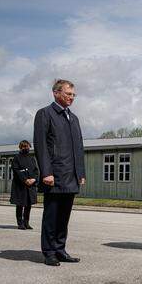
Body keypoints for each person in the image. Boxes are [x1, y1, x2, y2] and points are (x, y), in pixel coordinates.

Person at [33, 79, 85, 266]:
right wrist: (46, 172)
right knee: (52, 216)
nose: (71, 98)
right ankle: (49, 252)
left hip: (71, 176)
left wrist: (81, 172)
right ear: (56, 93)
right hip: (53, 175)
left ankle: (60, 249)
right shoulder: (45, 114)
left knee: (64, 216)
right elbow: (40, 146)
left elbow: (78, 147)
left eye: (73, 95)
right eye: (68, 94)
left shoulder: (74, 118)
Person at [10, 140, 39, 229]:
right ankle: (20, 223)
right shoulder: (17, 158)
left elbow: (36, 171)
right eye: (24, 146)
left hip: (30, 185)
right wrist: (25, 180)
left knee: (28, 205)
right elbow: (16, 170)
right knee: (20, 205)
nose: (26, 148)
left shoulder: (32, 158)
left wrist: (34, 179)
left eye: (27, 146)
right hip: (20, 185)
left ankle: (26, 223)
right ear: (20, 147)